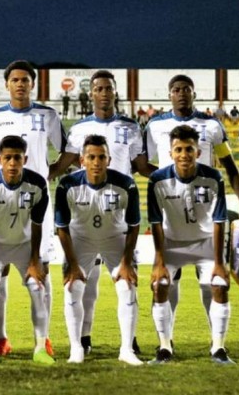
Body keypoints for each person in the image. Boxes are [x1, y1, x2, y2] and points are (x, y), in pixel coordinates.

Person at [49, 69, 154, 355]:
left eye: (109, 88)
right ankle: (83, 339)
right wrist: (33, 173)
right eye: (99, 88)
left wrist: (171, 175)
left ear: (114, 92)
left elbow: (142, 167)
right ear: (91, 93)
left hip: (118, 212)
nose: (104, 93)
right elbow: (62, 166)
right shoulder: (80, 129)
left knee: (127, 279)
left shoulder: (131, 127)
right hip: (85, 211)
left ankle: (128, 341)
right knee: (87, 282)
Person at [144, 74, 239, 351]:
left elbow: (229, 167)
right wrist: (165, 182)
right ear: (169, 94)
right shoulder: (156, 125)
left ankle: (217, 345)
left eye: (186, 90)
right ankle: (166, 343)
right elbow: (142, 163)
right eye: (176, 90)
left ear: (194, 93)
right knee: (169, 280)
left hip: (203, 207)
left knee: (211, 283)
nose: (181, 94)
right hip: (172, 214)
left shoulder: (212, 125)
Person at [0, 60, 67, 357]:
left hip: (37, 201)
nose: (20, 84)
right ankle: (0, 339)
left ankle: (45, 338)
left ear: (32, 84)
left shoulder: (48, 115)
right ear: (7, 85)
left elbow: (68, 152)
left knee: (42, 272)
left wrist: (48, 174)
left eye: (25, 80)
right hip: (2, 201)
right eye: (15, 80)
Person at [148, 125, 234, 364]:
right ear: (170, 153)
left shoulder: (213, 177)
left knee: (219, 285)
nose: (184, 154)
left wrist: (219, 262)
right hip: (172, 242)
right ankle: (165, 347)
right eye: (178, 149)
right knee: (160, 284)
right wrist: (159, 262)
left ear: (198, 152)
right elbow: (155, 222)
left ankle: (218, 348)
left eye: (189, 149)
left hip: (205, 242)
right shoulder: (157, 180)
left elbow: (219, 221)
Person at [56, 134, 142, 365]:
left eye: (101, 157)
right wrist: (73, 264)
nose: (96, 162)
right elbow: (62, 228)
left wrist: (126, 262)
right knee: (73, 287)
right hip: (81, 239)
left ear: (109, 159)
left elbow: (134, 226)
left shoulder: (126, 184)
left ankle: (126, 349)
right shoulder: (67, 185)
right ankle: (76, 348)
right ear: (82, 160)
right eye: (91, 157)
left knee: (127, 286)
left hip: (114, 238)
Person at [0, 135, 54, 366]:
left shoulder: (38, 184)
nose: (12, 163)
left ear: (25, 159)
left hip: (24, 244)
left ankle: (40, 347)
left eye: (17, 158)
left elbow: (37, 226)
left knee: (38, 288)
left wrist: (34, 260)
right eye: (7, 158)